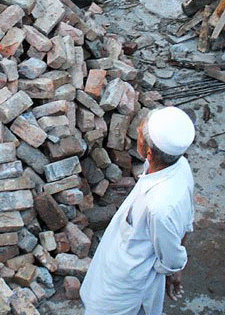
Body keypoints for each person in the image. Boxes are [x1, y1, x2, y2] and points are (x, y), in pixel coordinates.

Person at [80, 106, 196, 315]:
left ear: (149, 152)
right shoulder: (179, 165)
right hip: (121, 250)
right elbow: (186, 224)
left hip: (129, 276)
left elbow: (171, 255)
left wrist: (175, 272)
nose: (138, 131)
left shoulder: (160, 207)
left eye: (141, 131)